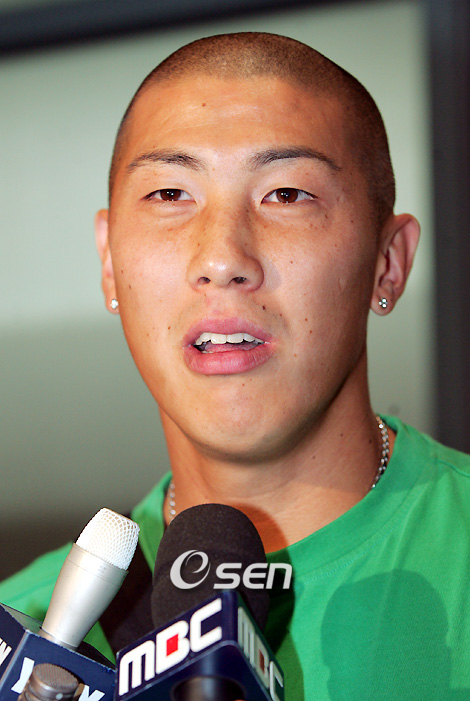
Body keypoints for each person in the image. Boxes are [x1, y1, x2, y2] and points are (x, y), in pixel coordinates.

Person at [1, 32, 470, 700]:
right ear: (108, 261)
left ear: (387, 262)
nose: (221, 258)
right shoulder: (31, 634)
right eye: (170, 193)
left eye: (287, 194)